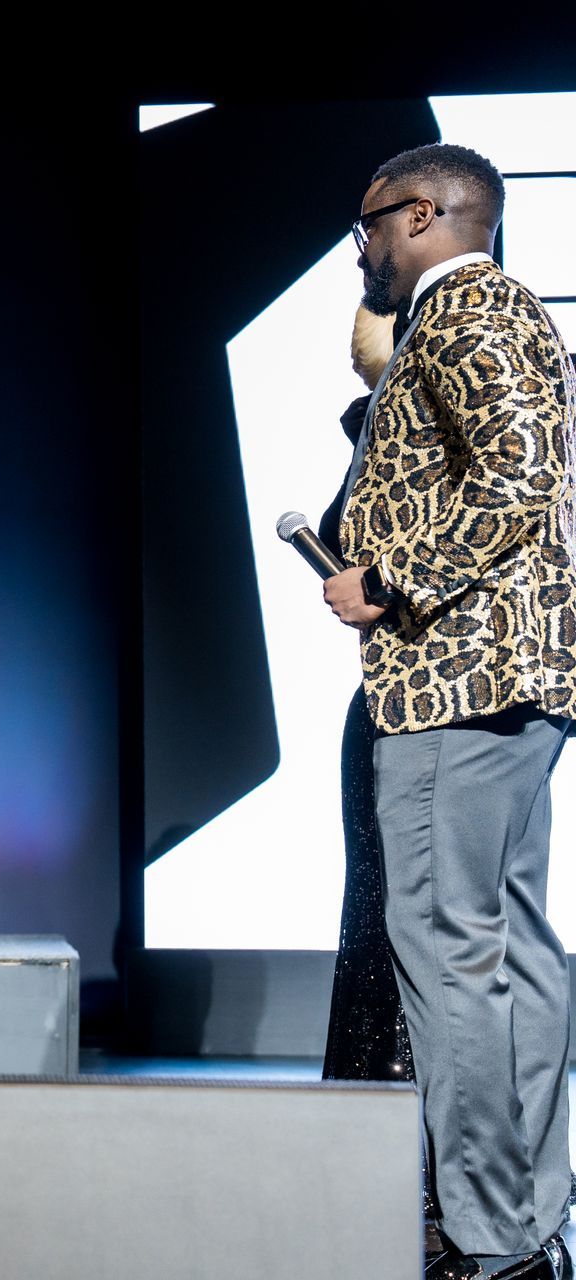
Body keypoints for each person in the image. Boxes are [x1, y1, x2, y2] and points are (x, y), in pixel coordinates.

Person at [325, 142, 576, 1279]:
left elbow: (517, 472)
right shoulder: (508, 314)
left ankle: (490, 1233)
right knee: (511, 950)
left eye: (369, 222)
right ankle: (526, 1220)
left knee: (455, 956)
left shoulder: (468, 309)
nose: (361, 246)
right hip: (510, 684)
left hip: (455, 686)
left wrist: (385, 581)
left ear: (421, 214)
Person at [319, 304, 412, 1086]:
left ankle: (447, 1153)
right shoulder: (389, 428)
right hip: (387, 695)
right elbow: (342, 531)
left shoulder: (515, 400)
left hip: (455, 703)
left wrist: (382, 581)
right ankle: (369, 1129)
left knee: (437, 919)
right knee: (376, 906)